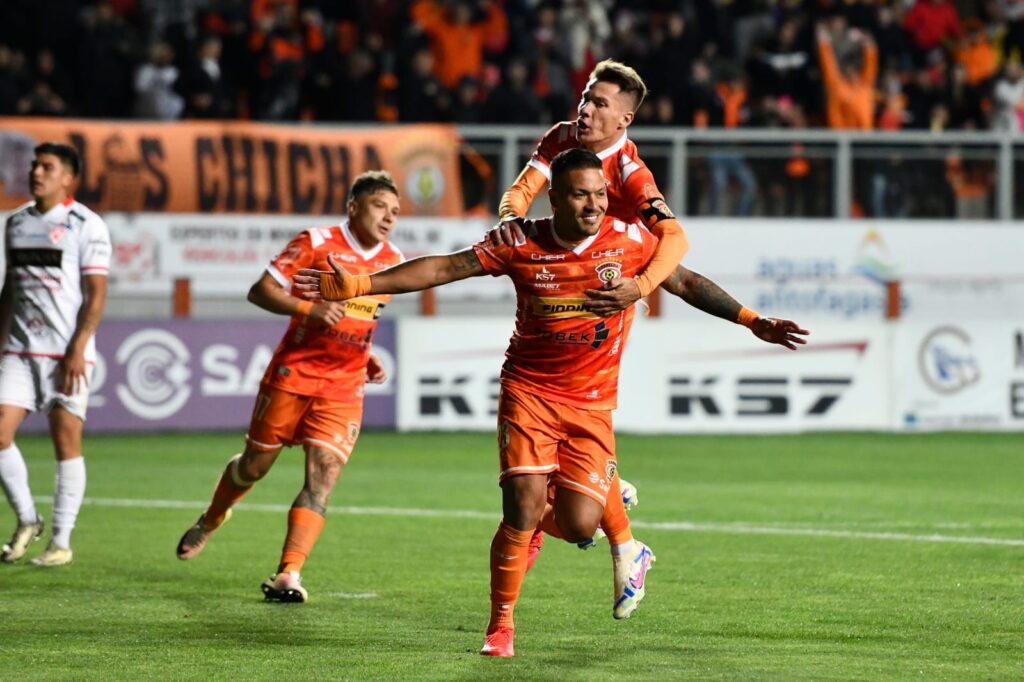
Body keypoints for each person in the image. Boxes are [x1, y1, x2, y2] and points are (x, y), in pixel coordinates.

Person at [296, 149, 660, 656]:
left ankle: (599, 514)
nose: (594, 204)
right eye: (580, 194)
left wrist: (752, 321)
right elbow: (444, 268)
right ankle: (501, 629)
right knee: (521, 507)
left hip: (592, 404)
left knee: (578, 524)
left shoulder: (630, 241)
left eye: (599, 194)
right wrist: (359, 283)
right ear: (555, 198)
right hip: (529, 391)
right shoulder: (521, 243)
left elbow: (683, 280)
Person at [175, 171, 403, 603]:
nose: (389, 218)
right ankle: (212, 517)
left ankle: (288, 573)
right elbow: (260, 291)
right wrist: (310, 310)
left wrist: (364, 353)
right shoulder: (315, 242)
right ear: (353, 206)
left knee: (324, 476)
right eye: (380, 207)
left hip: (344, 384)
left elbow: (363, 317)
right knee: (255, 467)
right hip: (293, 374)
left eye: (395, 212)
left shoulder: (393, 260)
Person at [0, 142, 111, 567]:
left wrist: (79, 348)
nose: (36, 172)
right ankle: (28, 518)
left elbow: (96, 294)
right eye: (34, 165)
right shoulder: (16, 224)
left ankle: (61, 542)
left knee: (66, 442)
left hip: (67, 353)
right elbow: (9, 289)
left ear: (68, 177)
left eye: (47, 166)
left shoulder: (86, 224)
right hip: (19, 349)